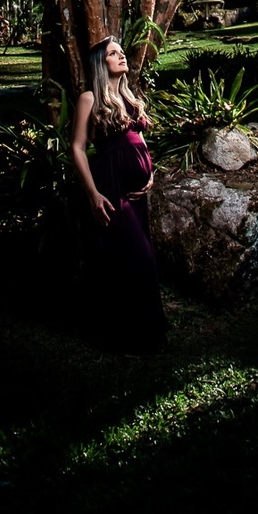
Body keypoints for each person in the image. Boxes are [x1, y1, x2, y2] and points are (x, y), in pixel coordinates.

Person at [70, 35, 167, 352]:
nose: (122, 56)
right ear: (102, 63)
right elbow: (77, 148)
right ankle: (133, 335)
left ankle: (145, 334)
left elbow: (138, 138)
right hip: (110, 186)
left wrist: (149, 172)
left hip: (137, 191)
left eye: (122, 52)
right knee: (137, 258)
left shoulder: (128, 95)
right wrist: (94, 194)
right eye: (114, 53)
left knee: (140, 256)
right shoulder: (89, 99)